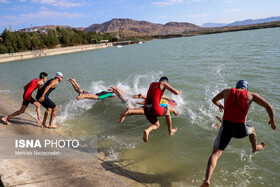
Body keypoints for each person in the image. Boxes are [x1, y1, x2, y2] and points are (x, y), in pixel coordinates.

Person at [201, 80, 276, 187]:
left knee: (215, 154)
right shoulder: (251, 95)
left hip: (226, 128)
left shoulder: (227, 91)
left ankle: (207, 180)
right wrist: (272, 121)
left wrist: (221, 106)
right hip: (240, 130)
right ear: (246, 88)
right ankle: (255, 148)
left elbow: (214, 100)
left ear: (237, 87)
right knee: (252, 129)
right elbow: (268, 106)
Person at [143, 76, 182, 142]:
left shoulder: (152, 84)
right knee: (168, 112)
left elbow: (154, 95)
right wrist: (180, 92)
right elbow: (176, 93)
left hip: (146, 108)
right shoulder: (164, 83)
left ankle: (147, 131)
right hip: (154, 108)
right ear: (166, 81)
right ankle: (170, 131)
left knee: (156, 124)